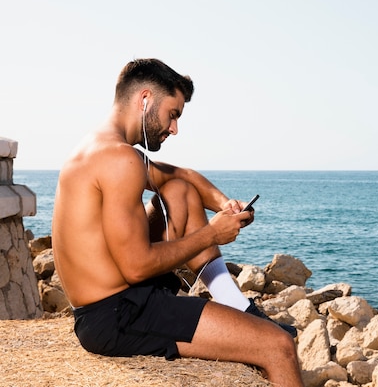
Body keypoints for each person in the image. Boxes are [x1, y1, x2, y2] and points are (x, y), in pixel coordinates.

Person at [51, 58, 304, 386]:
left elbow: (182, 176)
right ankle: (243, 314)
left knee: (180, 190)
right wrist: (212, 234)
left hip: (119, 301)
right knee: (277, 346)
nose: (174, 128)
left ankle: (234, 303)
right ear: (145, 100)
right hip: (118, 314)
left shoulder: (102, 147)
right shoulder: (119, 160)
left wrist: (224, 204)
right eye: (173, 114)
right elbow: (136, 267)